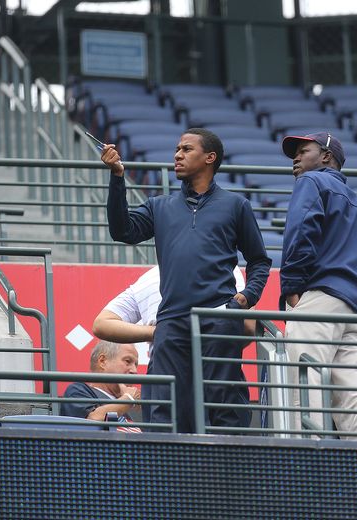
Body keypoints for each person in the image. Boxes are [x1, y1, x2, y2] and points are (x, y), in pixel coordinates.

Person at [101, 127, 271, 433]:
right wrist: (116, 178)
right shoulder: (159, 206)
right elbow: (122, 231)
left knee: (223, 406)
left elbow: (259, 262)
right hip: (172, 321)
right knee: (165, 408)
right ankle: (168, 474)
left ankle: (228, 476)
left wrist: (243, 300)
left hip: (218, 318)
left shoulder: (235, 205)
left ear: (210, 158)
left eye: (186, 149)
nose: (177, 155)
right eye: (177, 149)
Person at [280, 131, 357, 441]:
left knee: (304, 381)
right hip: (353, 308)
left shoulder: (311, 182)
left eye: (303, 150)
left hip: (321, 297)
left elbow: (301, 231)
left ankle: (306, 468)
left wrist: (292, 286)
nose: (296, 158)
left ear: (326, 156)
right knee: (352, 396)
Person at [92, 265, 254, 424]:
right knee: (226, 445)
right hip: (216, 366)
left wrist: (160, 333)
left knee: (168, 446)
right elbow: (248, 325)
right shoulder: (225, 266)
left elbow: (101, 324)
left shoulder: (148, 279)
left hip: (163, 371)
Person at [60, 340, 142, 432]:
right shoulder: (77, 391)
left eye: (136, 364)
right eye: (128, 361)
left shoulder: (130, 407)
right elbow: (92, 421)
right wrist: (128, 399)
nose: (134, 371)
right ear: (102, 361)